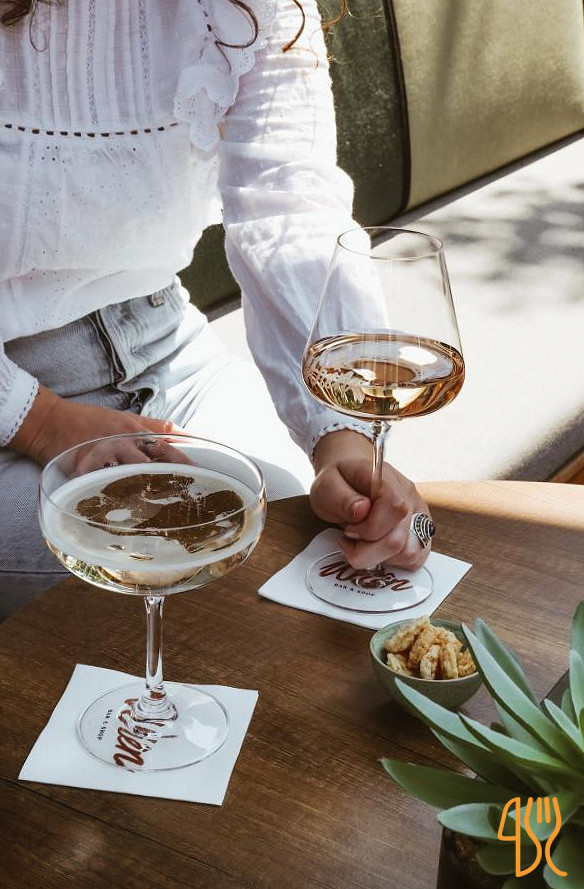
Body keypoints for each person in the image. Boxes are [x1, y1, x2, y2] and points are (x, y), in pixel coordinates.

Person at [0, 0, 432, 618]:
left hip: (164, 346)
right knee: (193, 590)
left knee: (312, 547)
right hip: (14, 390)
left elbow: (289, 207)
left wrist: (343, 436)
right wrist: (42, 422)